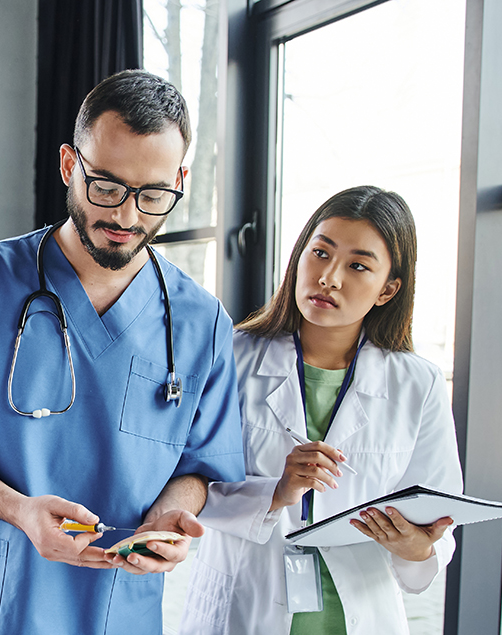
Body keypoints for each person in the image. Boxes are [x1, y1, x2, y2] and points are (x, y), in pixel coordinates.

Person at [0, 69, 245, 634]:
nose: (127, 216)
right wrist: (19, 511)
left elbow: (198, 466)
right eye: (107, 187)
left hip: (116, 608)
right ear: (71, 165)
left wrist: (172, 516)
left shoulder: (202, 322)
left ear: (181, 179)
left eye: (154, 194)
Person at [178, 186, 463, 635]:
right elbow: (187, 484)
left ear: (388, 289)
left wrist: (417, 548)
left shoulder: (417, 383)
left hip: (359, 616)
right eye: (320, 253)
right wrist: (276, 492)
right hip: (244, 609)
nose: (329, 277)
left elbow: (436, 515)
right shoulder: (231, 356)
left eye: (357, 266)